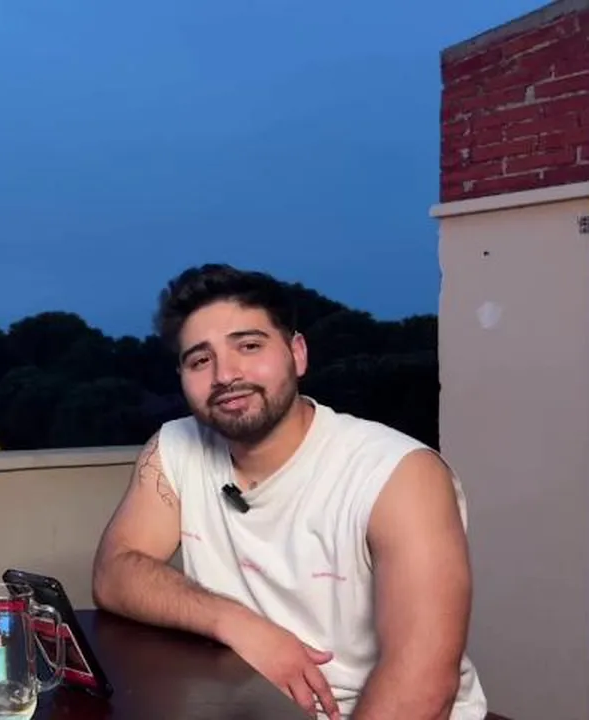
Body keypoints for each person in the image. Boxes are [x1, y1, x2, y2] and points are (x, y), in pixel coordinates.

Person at [90, 263, 487, 720]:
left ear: (297, 354)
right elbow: (115, 572)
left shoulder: (400, 474)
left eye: (249, 346)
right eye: (200, 360)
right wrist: (236, 622)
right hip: (250, 707)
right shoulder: (175, 448)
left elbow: (422, 689)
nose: (225, 374)